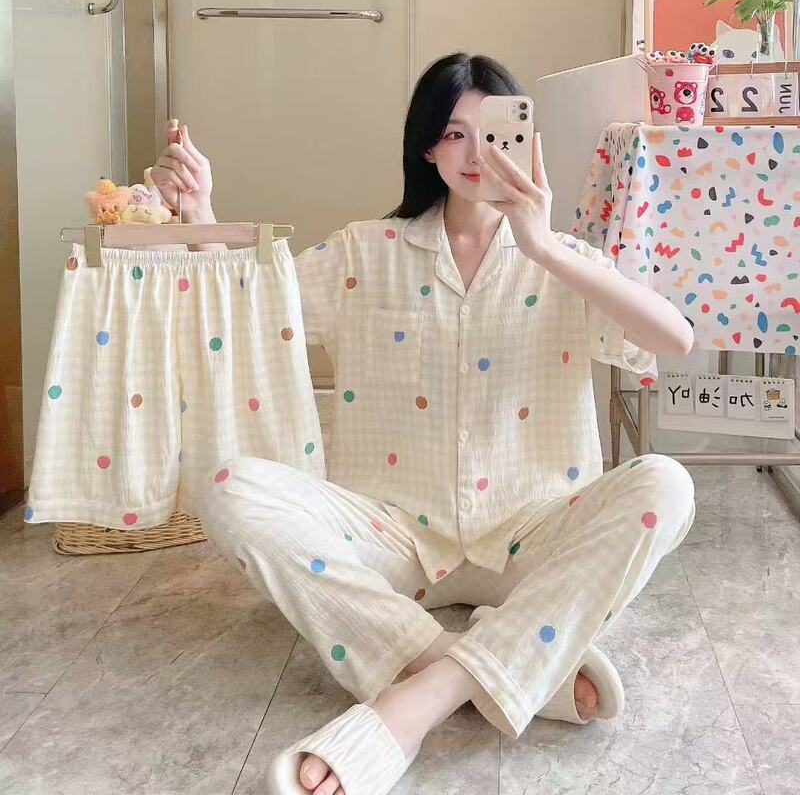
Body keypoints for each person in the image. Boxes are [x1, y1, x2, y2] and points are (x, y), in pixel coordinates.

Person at [151, 52, 696, 795]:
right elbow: (248, 313)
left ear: (524, 141)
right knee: (230, 489)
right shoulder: (361, 251)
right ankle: (502, 664)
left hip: (532, 533)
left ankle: (418, 699)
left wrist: (540, 244)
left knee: (666, 485)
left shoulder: (564, 261)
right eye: (453, 133)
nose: (475, 154)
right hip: (393, 536)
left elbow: (675, 340)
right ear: (426, 147)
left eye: (493, 133)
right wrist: (201, 215)